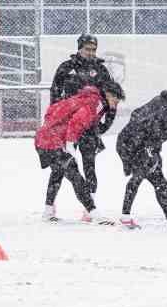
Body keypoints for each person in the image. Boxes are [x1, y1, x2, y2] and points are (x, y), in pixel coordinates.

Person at [37, 82, 122, 223]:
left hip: (45, 138)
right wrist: (70, 146)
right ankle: (95, 214)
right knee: (76, 177)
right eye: (115, 100)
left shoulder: (84, 98)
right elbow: (75, 123)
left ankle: (48, 211)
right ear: (108, 94)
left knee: (58, 173)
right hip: (52, 140)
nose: (114, 106)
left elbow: (53, 111)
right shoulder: (94, 103)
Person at [117, 86, 167, 234]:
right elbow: (152, 124)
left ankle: (126, 216)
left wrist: (152, 147)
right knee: (155, 180)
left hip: (132, 141)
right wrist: (149, 148)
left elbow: (138, 115)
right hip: (135, 143)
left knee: (147, 178)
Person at [51, 33, 119, 195]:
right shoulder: (66, 68)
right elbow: (55, 94)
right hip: (68, 124)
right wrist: (55, 120)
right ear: (79, 48)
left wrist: (106, 123)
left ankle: (91, 202)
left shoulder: (101, 70)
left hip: (89, 126)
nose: (91, 53)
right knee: (61, 163)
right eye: (87, 49)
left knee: (89, 165)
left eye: (94, 49)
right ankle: (50, 203)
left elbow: (111, 97)